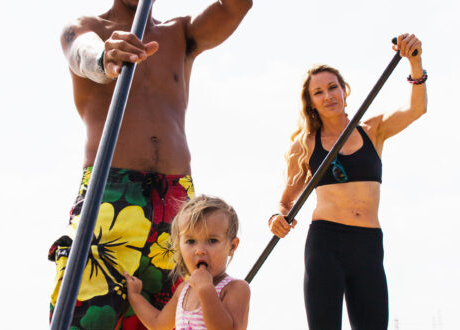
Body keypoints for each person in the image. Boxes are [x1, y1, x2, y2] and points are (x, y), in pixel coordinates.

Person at [47, 0, 252, 328]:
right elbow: (83, 54)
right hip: (111, 190)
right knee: (85, 311)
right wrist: (105, 57)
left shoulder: (180, 32)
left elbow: (236, 7)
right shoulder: (86, 28)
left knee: (177, 317)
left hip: (176, 198)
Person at [268, 33, 427, 330]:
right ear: (311, 102)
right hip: (326, 243)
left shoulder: (372, 130)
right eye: (319, 93)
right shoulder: (304, 145)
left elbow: (416, 110)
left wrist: (415, 64)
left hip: (368, 244)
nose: (328, 96)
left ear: (345, 91)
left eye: (332, 88)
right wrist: (278, 216)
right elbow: (286, 200)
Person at [125, 195, 250, 330]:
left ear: (232, 247)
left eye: (212, 241)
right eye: (190, 241)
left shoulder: (236, 288)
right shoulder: (183, 290)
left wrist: (206, 290)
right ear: (179, 246)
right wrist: (135, 296)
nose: (200, 251)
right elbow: (158, 324)